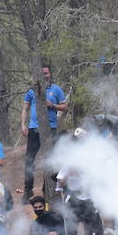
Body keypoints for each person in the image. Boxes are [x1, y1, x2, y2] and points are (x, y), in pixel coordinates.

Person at [21, 63, 69, 200]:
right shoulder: (32, 91)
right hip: (33, 129)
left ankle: (47, 188)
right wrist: (23, 125)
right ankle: (28, 190)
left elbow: (65, 107)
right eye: (42, 74)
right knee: (29, 159)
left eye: (46, 73)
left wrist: (52, 105)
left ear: (50, 74)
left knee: (50, 159)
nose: (44, 76)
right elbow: (25, 108)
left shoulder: (57, 90)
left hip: (50, 129)